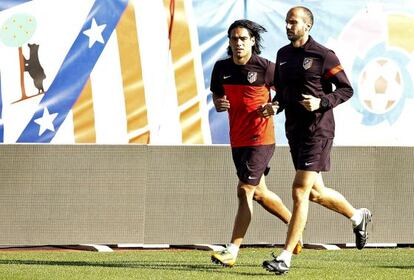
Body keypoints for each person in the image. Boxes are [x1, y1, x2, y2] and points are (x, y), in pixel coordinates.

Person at [262, 6, 372, 275]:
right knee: (315, 193)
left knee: (299, 191)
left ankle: (285, 257)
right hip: (295, 132)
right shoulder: (283, 55)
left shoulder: (323, 55)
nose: (288, 26)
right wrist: (275, 106)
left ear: (307, 26)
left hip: (318, 131)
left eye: (294, 22)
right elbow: (283, 92)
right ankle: (358, 217)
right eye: (287, 21)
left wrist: (322, 101)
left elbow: (346, 89)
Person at [209, 19, 302, 268]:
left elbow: (283, 95)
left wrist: (273, 106)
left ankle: (232, 250)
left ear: (252, 41)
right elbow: (217, 92)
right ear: (229, 42)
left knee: (244, 191)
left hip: (260, 139)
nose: (238, 43)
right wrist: (219, 102)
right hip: (237, 139)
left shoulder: (266, 68)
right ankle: (295, 225)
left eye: (243, 38)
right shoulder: (221, 68)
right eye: (234, 39)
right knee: (259, 193)